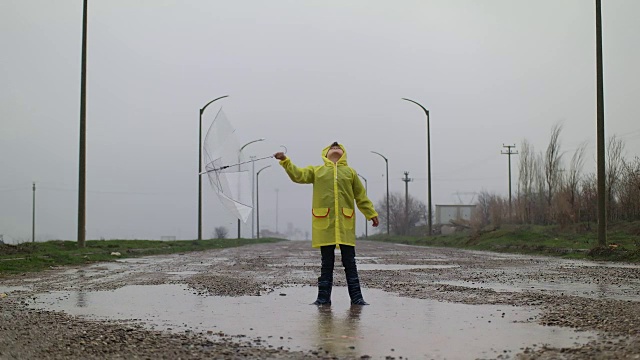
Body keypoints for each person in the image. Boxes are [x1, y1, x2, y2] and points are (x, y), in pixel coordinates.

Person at [274, 142, 379, 305]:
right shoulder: (317, 171)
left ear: (344, 153)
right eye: (332, 147)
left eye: (338, 147)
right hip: (325, 224)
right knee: (327, 263)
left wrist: (371, 213)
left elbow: (360, 196)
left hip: (345, 225)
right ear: (325, 153)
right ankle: (323, 298)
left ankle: (357, 298)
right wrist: (285, 161)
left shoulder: (350, 173)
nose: (335, 147)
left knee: (350, 263)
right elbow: (298, 175)